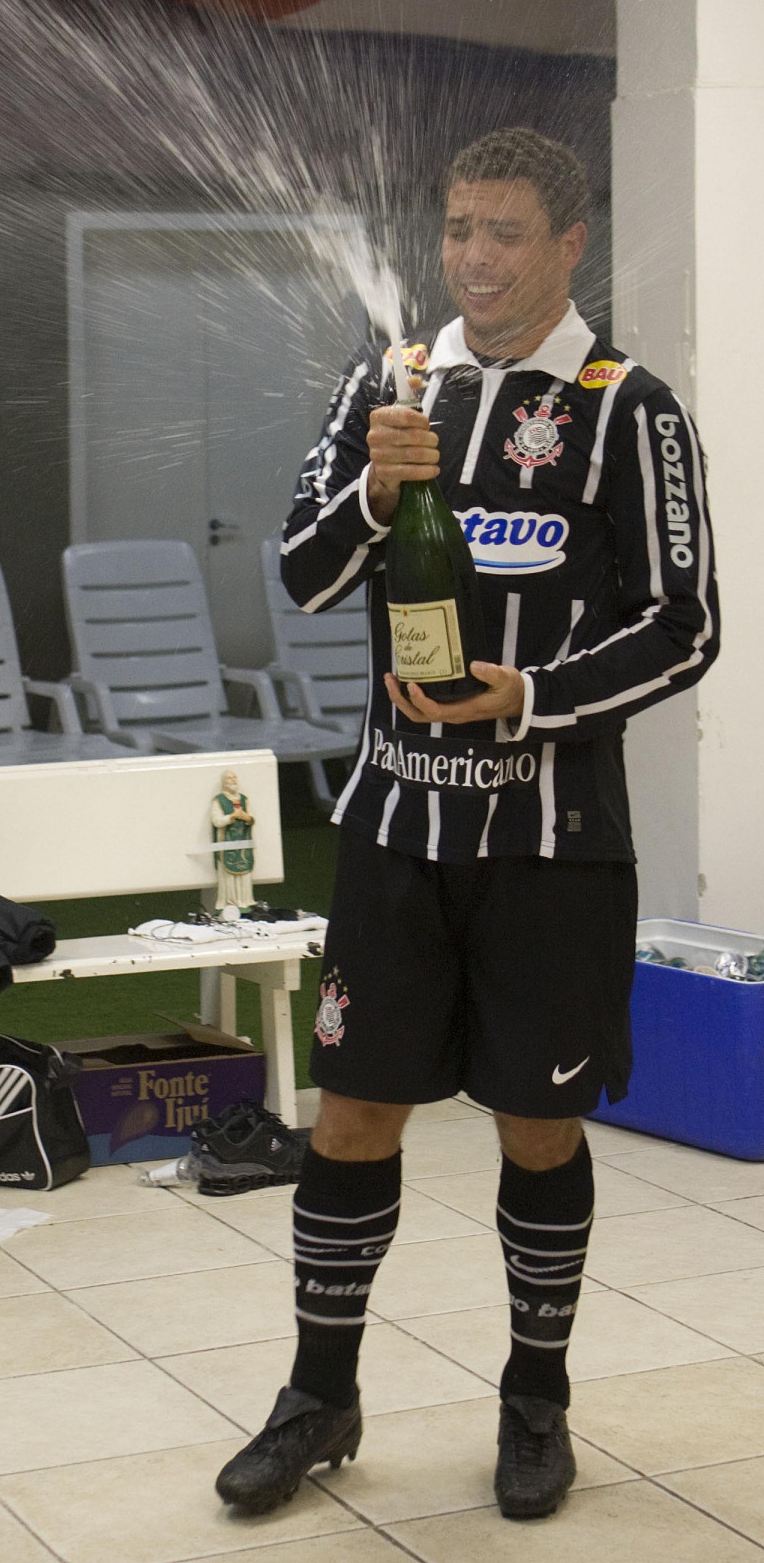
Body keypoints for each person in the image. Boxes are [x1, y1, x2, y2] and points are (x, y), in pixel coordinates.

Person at [215, 127, 719, 1521]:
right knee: (352, 1111)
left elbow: (687, 628)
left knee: (538, 1127)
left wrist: (533, 695)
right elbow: (305, 577)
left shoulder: (631, 409)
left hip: (552, 848)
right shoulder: (391, 383)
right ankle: (319, 1397)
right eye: (456, 231)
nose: (476, 259)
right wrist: (377, 493)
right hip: (391, 835)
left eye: (505, 233)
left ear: (567, 248)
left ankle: (535, 1404)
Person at [210, 769, 255, 915]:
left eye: (235, 777)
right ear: (224, 782)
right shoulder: (219, 801)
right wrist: (231, 817)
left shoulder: (244, 799)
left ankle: (244, 901)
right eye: (229, 778)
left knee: (244, 873)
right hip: (227, 843)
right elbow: (217, 821)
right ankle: (229, 903)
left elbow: (251, 818)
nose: (233, 780)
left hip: (242, 841)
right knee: (228, 876)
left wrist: (245, 816)